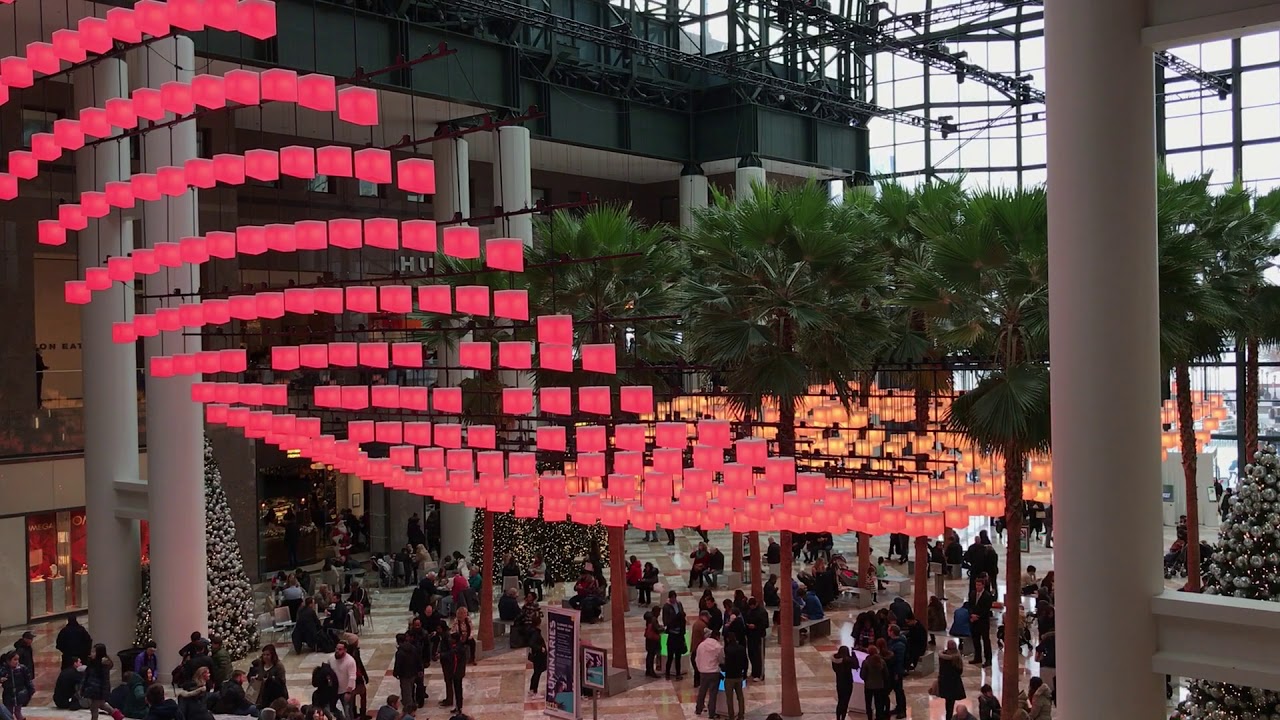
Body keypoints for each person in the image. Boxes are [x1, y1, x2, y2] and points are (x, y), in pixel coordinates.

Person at [693, 629, 723, 718]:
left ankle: (698, 709)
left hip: (703, 672)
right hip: (714, 672)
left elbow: (697, 659)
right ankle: (712, 713)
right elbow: (721, 660)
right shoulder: (718, 646)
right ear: (717, 637)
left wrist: (700, 668)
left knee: (702, 691)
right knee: (713, 694)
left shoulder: (701, 645)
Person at [392, 634, 423, 717]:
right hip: (413, 673)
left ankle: (410, 711)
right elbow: (418, 659)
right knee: (409, 690)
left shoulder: (400, 652)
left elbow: (398, 664)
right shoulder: (413, 648)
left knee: (407, 692)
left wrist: (395, 673)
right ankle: (409, 705)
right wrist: (419, 669)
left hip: (404, 674)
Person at [437, 630, 465, 714]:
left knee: (458, 691)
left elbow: (451, 654)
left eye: (451, 638)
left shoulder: (458, 648)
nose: (450, 640)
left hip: (457, 673)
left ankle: (459, 708)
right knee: (457, 691)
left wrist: (441, 655)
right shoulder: (456, 646)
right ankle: (457, 707)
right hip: (456, 672)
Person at [859, 642, 889, 720]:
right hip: (879, 686)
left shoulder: (866, 662)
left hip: (869, 686)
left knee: (868, 704)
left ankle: (870, 717)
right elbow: (886, 674)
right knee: (879, 703)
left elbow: (862, 675)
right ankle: (879, 717)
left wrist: (866, 680)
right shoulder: (882, 662)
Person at [937, 639, 966, 719]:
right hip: (954, 683)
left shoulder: (942, 657)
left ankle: (948, 717)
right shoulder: (957, 658)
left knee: (948, 702)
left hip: (944, 682)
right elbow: (960, 671)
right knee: (951, 703)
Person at [83, 643, 113, 720]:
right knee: (102, 706)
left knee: (94, 708)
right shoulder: (91, 663)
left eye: (94, 652)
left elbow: (105, 681)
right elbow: (87, 676)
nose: (92, 654)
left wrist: (104, 693)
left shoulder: (103, 665)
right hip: (92, 689)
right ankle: (118, 715)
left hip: (99, 691)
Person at [721, 633, 747, 720]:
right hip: (739, 675)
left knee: (729, 698)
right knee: (740, 696)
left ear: (728, 639)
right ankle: (741, 715)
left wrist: (722, 668)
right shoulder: (741, 648)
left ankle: (731, 716)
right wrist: (744, 673)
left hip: (729, 677)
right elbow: (745, 661)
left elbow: (726, 664)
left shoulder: (727, 650)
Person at [662, 592, 688, 679]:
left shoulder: (679, 604)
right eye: (672, 598)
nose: (673, 600)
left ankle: (678, 674)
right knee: (670, 656)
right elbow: (666, 621)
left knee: (678, 656)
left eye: (674, 598)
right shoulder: (666, 607)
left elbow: (682, 616)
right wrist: (675, 618)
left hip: (679, 634)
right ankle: (667, 674)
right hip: (672, 634)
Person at [329, 642, 358, 718]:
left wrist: (348, 692)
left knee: (348, 711)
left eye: (340, 649)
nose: (337, 651)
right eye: (336, 648)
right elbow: (327, 670)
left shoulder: (350, 661)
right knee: (331, 708)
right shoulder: (331, 658)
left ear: (345, 650)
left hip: (346, 691)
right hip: (334, 689)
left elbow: (352, 677)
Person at [970, 579, 995, 668]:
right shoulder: (972, 594)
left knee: (985, 640)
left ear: (983, 585)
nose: (977, 587)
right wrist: (971, 615)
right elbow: (970, 605)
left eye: (979, 585)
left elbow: (986, 609)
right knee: (975, 640)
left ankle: (988, 659)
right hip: (974, 621)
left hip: (983, 621)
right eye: (976, 585)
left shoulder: (987, 596)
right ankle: (977, 657)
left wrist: (978, 616)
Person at [744, 597, 769, 681]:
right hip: (751, 636)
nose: (751, 607)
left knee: (759, 656)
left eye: (752, 606)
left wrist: (755, 626)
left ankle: (760, 674)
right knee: (752, 655)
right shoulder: (749, 611)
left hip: (759, 636)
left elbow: (766, 624)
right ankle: (754, 672)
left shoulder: (762, 612)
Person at [831, 646, 859, 720]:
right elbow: (856, 665)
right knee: (845, 702)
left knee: (840, 701)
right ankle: (842, 718)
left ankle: (838, 718)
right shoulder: (848, 660)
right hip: (848, 683)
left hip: (839, 683)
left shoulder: (835, 660)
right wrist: (853, 654)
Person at [886, 625, 908, 719]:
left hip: (896, 672)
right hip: (892, 671)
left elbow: (898, 660)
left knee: (899, 691)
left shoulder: (899, 645)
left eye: (888, 630)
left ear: (892, 632)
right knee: (895, 690)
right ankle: (898, 707)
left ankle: (902, 710)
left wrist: (897, 673)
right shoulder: (892, 642)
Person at [527, 628, 547, 699]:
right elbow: (532, 644)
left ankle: (532, 689)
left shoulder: (534, 632)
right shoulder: (535, 633)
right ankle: (535, 692)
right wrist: (540, 648)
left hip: (537, 656)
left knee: (536, 673)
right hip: (538, 656)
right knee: (537, 673)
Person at [643, 611, 663, 678]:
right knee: (651, 656)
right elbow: (656, 629)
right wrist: (663, 629)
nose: (659, 614)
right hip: (653, 641)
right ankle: (651, 671)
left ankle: (648, 670)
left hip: (649, 640)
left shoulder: (649, 621)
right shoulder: (653, 619)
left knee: (649, 655)